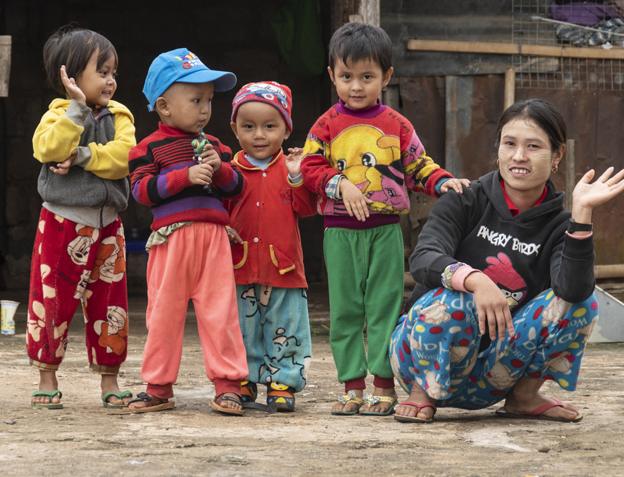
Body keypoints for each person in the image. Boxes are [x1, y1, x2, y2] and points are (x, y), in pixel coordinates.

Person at [390, 98, 624, 423]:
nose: (519, 156)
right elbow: (423, 258)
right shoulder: (464, 199)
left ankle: (523, 397)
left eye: (533, 146)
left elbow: (573, 292)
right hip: (419, 360)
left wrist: (581, 216)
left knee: (583, 304)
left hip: (493, 377)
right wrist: (476, 280)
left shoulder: (560, 226)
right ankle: (422, 392)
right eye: (510, 144)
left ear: (557, 155)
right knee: (457, 299)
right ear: (499, 148)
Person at [299, 22, 469, 416]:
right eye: (346, 77)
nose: (355, 86)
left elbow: (418, 166)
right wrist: (339, 184)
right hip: (339, 232)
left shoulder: (397, 125)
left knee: (384, 309)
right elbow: (309, 167)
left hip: (385, 232)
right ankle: (351, 385)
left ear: (386, 77)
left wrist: (444, 182)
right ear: (332, 77)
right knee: (345, 310)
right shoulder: (325, 125)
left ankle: (383, 384)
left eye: (367, 77)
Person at [125, 48, 248, 416]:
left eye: (209, 100)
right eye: (196, 100)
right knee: (163, 315)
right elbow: (141, 191)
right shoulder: (147, 149)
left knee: (221, 313)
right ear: (163, 107)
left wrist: (221, 169)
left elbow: (238, 188)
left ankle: (229, 386)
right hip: (171, 241)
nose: (206, 109)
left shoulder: (216, 146)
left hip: (213, 241)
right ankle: (158, 387)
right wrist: (184, 177)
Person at [28, 26, 136, 410]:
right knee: (52, 302)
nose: (111, 80)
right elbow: (50, 149)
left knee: (111, 307)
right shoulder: (57, 115)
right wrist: (75, 109)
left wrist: (85, 157)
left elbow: (125, 157)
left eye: (113, 72)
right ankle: (47, 376)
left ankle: (110, 381)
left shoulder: (120, 115)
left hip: (109, 226)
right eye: (102, 71)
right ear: (70, 77)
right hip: (62, 222)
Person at [224, 82, 318, 412]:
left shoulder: (291, 168)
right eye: (249, 127)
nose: (259, 135)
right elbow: (218, 209)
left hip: (285, 267)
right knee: (242, 326)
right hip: (240, 266)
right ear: (235, 129)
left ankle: (283, 382)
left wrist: (296, 178)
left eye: (269, 126)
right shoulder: (230, 171)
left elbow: (307, 209)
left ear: (286, 129)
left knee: (286, 326)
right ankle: (244, 379)